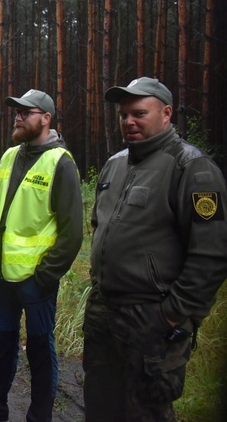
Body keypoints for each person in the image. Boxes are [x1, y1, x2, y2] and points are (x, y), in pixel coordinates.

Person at [83, 77, 227, 421]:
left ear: (166, 113)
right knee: (100, 404)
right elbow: (100, 224)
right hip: (104, 310)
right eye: (123, 115)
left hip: (151, 317)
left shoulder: (191, 167)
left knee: (146, 410)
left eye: (139, 113)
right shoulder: (116, 163)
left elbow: (211, 255)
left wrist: (173, 314)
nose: (128, 122)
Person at [0, 90, 83, 422]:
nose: (18, 117)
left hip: (35, 282)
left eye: (26, 112)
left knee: (40, 352)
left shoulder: (61, 163)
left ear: (46, 118)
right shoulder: (10, 155)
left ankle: (38, 417)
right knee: (1, 348)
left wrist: (44, 276)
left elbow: (72, 234)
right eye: (16, 112)